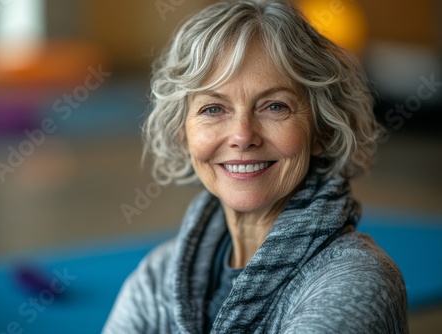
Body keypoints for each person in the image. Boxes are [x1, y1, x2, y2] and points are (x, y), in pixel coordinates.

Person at [103, 0, 408, 332]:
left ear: (323, 129)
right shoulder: (157, 277)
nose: (242, 135)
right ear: (183, 133)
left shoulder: (354, 283)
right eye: (213, 109)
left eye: (275, 106)